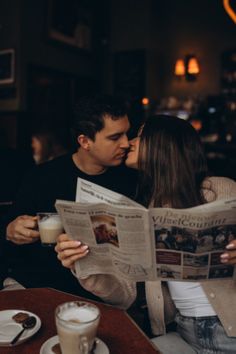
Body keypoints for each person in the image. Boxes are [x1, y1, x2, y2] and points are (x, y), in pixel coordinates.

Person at [55, 115, 236, 353]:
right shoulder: (142, 210)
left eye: (139, 136)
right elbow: (125, 295)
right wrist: (84, 264)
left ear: (165, 143)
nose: (130, 142)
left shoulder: (221, 189)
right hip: (182, 332)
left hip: (228, 329)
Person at [1, 95, 137, 296]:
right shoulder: (43, 176)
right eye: (115, 137)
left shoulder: (130, 179)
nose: (126, 143)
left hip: (99, 292)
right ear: (84, 141)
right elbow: (10, 226)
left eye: (127, 133)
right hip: (37, 283)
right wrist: (10, 230)